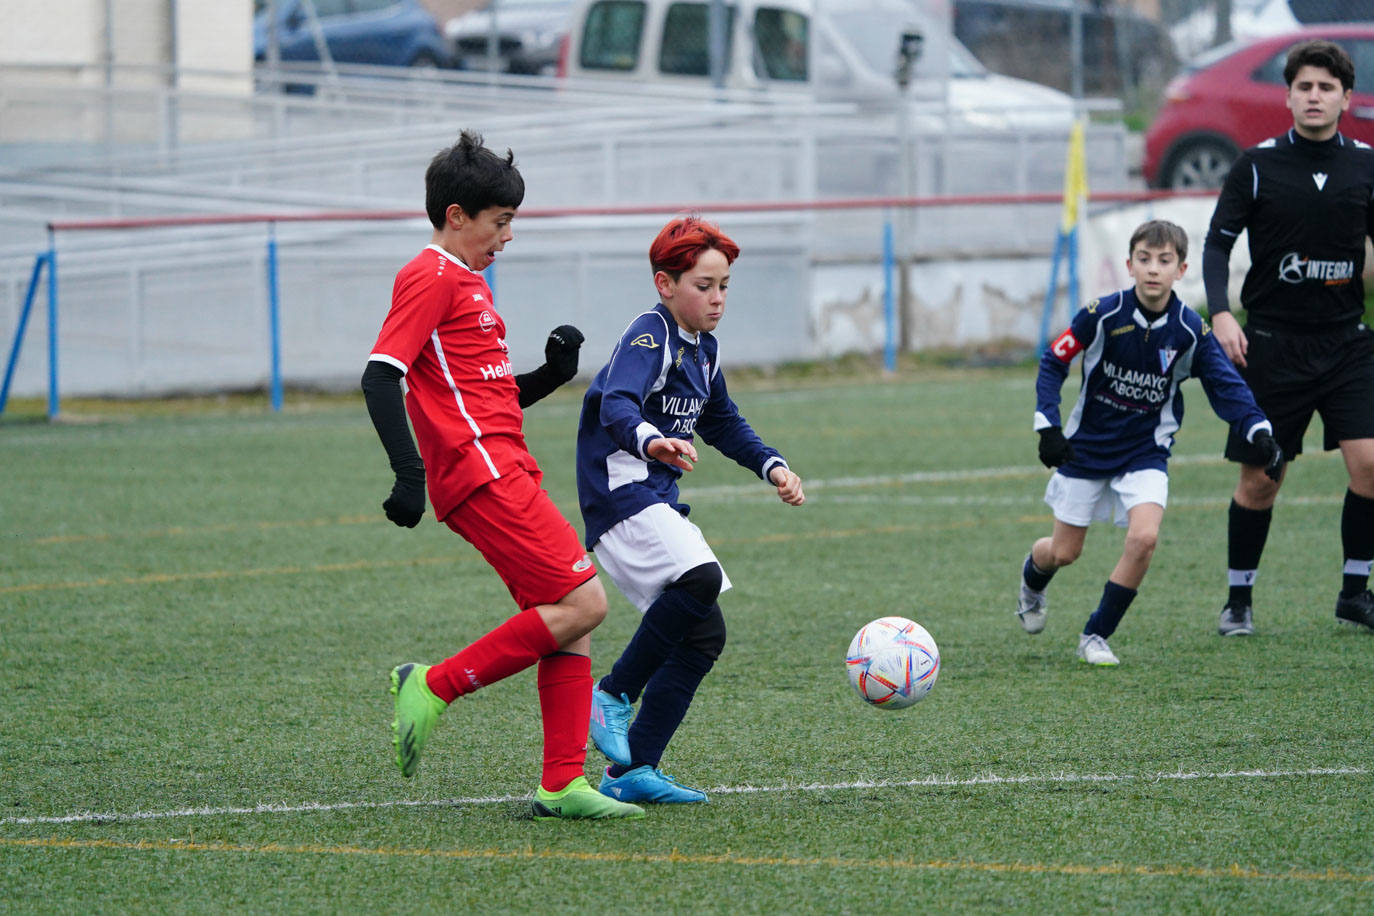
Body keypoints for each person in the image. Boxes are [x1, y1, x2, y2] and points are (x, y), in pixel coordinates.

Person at [359, 130, 644, 821]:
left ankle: (561, 783)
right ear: (457, 216)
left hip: (502, 462)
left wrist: (550, 375)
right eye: (501, 221)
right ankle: (434, 685)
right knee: (586, 603)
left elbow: (480, 392)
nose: (508, 235)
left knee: (565, 619)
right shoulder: (430, 275)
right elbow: (380, 375)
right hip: (481, 472)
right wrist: (408, 474)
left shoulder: (466, 284)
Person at [576, 215, 805, 802]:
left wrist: (771, 465)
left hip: (655, 498)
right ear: (665, 284)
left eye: (724, 285)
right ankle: (612, 694)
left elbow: (721, 421)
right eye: (703, 286)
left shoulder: (703, 349)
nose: (717, 298)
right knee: (699, 578)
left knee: (703, 637)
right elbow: (617, 403)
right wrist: (652, 440)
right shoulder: (649, 337)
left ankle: (633, 774)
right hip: (619, 493)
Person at [1016, 219, 1282, 665]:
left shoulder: (1189, 330)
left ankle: (1096, 634)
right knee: (1064, 552)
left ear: (1181, 270)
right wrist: (1048, 427)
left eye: (1164, 261)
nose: (1153, 269)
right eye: (1144, 259)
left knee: (1144, 539)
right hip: (1087, 451)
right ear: (1129, 264)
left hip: (1145, 454)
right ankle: (1032, 582)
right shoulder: (1101, 314)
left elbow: (1226, 385)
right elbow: (1054, 360)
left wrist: (1259, 429)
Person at [1203, 39, 1374, 637]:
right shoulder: (1257, 164)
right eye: (1304, 86)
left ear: (1346, 99)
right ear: (1289, 95)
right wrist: (1222, 314)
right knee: (1261, 480)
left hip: (1349, 343)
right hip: (1272, 346)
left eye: (1327, 87)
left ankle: (1356, 592)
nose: (1315, 96)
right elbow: (1218, 244)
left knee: (1371, 465)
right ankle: (1238, 602)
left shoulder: (1366, 164)